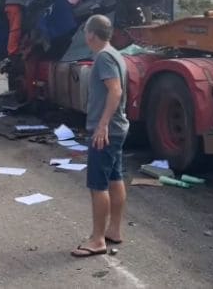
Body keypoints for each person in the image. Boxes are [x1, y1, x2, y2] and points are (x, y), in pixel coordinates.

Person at [71, 14, 129, 258]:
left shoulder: (104, 57)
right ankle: (114, 229)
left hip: (106, 130)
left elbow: (115, 91)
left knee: (98, 184)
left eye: (86, 32)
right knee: (115, 178)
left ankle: (97, 240)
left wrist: (102, 125)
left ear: (91, 34)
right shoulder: (115, 54)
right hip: (118, 128)